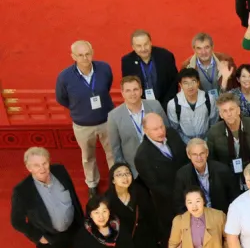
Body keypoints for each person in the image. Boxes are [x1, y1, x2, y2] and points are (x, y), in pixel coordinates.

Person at [11, 147, 88, 248]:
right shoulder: (22, 190)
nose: (42, 168)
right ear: (28, 167)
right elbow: (16, 221)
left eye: (44, 163)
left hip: (73, 229)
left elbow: (73, 197)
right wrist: (38, 237)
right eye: (36, 165)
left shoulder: (60, 171)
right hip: (48, 236)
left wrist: (82, 223)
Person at [56, 40, 116, 197]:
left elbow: (107, 86)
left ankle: (116, 181)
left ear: (93, 52)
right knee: (88, 156)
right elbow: (62, 98)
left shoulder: (104, 68)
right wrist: (79, 108)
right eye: (80, 55)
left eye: (87, 53)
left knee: (113, 152)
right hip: (82, 124)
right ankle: (92, 183)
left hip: (106, 119)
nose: (85, 58)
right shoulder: (64, 77)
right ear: (73, 56)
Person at [106, 163, 164, 248]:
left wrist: (158, 237)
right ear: (113, 179)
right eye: (119, 174)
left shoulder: (139, 191)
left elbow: (152, 214)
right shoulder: (107, 199)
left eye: (127, 173)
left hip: (145, 238)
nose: (125, 177)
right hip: (125, 243)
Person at [134, 114, 189, 242]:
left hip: (189, 190)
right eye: (155, 129)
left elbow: (185, 159)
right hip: (169, 203)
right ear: (146, 131)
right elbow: (156, 186)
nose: (161, 131)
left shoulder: (172, 134)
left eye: (161, 127)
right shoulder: (142, 156)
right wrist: (181, 196)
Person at [207, 93, 250, 190]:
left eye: (231, 109)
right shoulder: (214, 132)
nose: (229, 114)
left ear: (238, 110)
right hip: (229, 176)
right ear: (221, 115)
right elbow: (213, 161)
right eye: (224, 111)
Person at [107, 76, 169, 177]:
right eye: (128, 90)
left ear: (141, 91)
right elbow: (115, 148)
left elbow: (167, 131)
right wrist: (124, 171)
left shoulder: (155, 106)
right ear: (122, 93)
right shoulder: (114, 116)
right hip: (134, 169)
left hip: (159, 162)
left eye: (135, 89)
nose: (132, 94)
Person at [173, 138, 240, 214]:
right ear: (188, 155)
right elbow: (179, 203)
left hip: (222, 215)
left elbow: (234, 197)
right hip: (196, 218)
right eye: (194, 154)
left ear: (207, 153)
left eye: (202, 153)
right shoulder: (182, 175)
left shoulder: (223, 170)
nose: (199, 158)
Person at [120, 30, 178, 106]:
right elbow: (128, 85)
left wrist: (166, 105)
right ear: (133, 47)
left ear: (151, 43)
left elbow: (174, 82)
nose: (143, 49)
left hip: (166, 104)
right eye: (139, 46)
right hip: (141, 105)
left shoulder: (165, 56)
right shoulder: (127, 61)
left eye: (146, 44)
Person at [166, 68, 217, 141]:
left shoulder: (209, 99)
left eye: (193, 81)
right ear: (180, 85)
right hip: (185, 143)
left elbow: (213, 123)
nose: (190, 86)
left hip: (207, 140)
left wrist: (205, 141)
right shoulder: (173, 104)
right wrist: (189, 142)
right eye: (186, 83)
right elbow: (175, 129)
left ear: (198, 83)